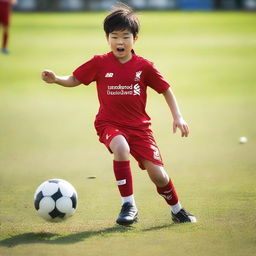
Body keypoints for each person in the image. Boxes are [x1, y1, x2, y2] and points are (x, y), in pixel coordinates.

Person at [41, 3, 197, 225]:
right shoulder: (99, 63)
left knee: (159, 175)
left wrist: (178, 116)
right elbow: (75, 79)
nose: (120, 42)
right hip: (109, 124)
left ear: (135, 39)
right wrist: (56, 79)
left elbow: (166, 90)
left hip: (140, 129)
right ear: (107, 38)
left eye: (125, 36)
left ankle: (177, 210)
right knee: (121, 147)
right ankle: (128, 205)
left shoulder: (145, 67)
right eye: (114, 36)